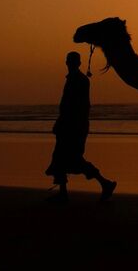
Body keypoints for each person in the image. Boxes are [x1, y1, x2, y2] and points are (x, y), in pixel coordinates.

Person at [45, 52, 116, 203]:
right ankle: (64, 193)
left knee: (73, 159)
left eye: (70, 61)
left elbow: (76, 106)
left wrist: (65, 122)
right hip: (72, 124)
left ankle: (105, 183)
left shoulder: (79, 80)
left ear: (75, 63)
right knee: (61, 157)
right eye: (68, 61)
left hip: (74, 126)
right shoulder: (77, 79)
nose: (68, 63)